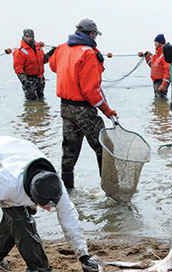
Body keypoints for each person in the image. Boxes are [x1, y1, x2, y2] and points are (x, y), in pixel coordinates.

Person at [0, 136, 99, 272]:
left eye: (51, 206)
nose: (49, 210)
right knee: (20, 218)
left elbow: (70, 220)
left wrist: (84, 256)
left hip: (25, 150)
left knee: (13, 220)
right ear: (32, 196)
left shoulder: (55, 185)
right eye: (44, 205)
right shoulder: (7, 183)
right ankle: (38, 268)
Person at [48, 18, 117, 188]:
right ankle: (110, 188)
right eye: (95, 36)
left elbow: (53, 66)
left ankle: (66, 191)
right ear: (92, 34)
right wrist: (107, 111)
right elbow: (90, 91)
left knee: (69, 149)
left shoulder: (62, 47)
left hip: (65, 107)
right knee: (104, 147)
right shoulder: (89, 54)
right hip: (84, 109)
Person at [12, 28, 49, 100]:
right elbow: (18, 68)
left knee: (41, 99)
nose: (29, 39)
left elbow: (43, 61)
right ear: (24, 36)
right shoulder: (19, 51)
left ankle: (42, 111)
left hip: (40, 79)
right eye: (27, 37)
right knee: (31, 100)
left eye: (31, 37)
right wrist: (24, 81)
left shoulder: (38, 47)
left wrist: (50, 54)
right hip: (29, 80)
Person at [144, 34, 171, 99]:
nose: (154, 44)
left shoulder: (165, 54)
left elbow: (168, 70)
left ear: (160, 43)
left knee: (161, 99)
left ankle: (163, 109)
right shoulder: (157, 54)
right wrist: (147, 57)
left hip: (161, 81)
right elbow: (153, 66)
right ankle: (160, 109)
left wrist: (164, 84)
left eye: (156, 42)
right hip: (156, 81)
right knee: (157, 99)